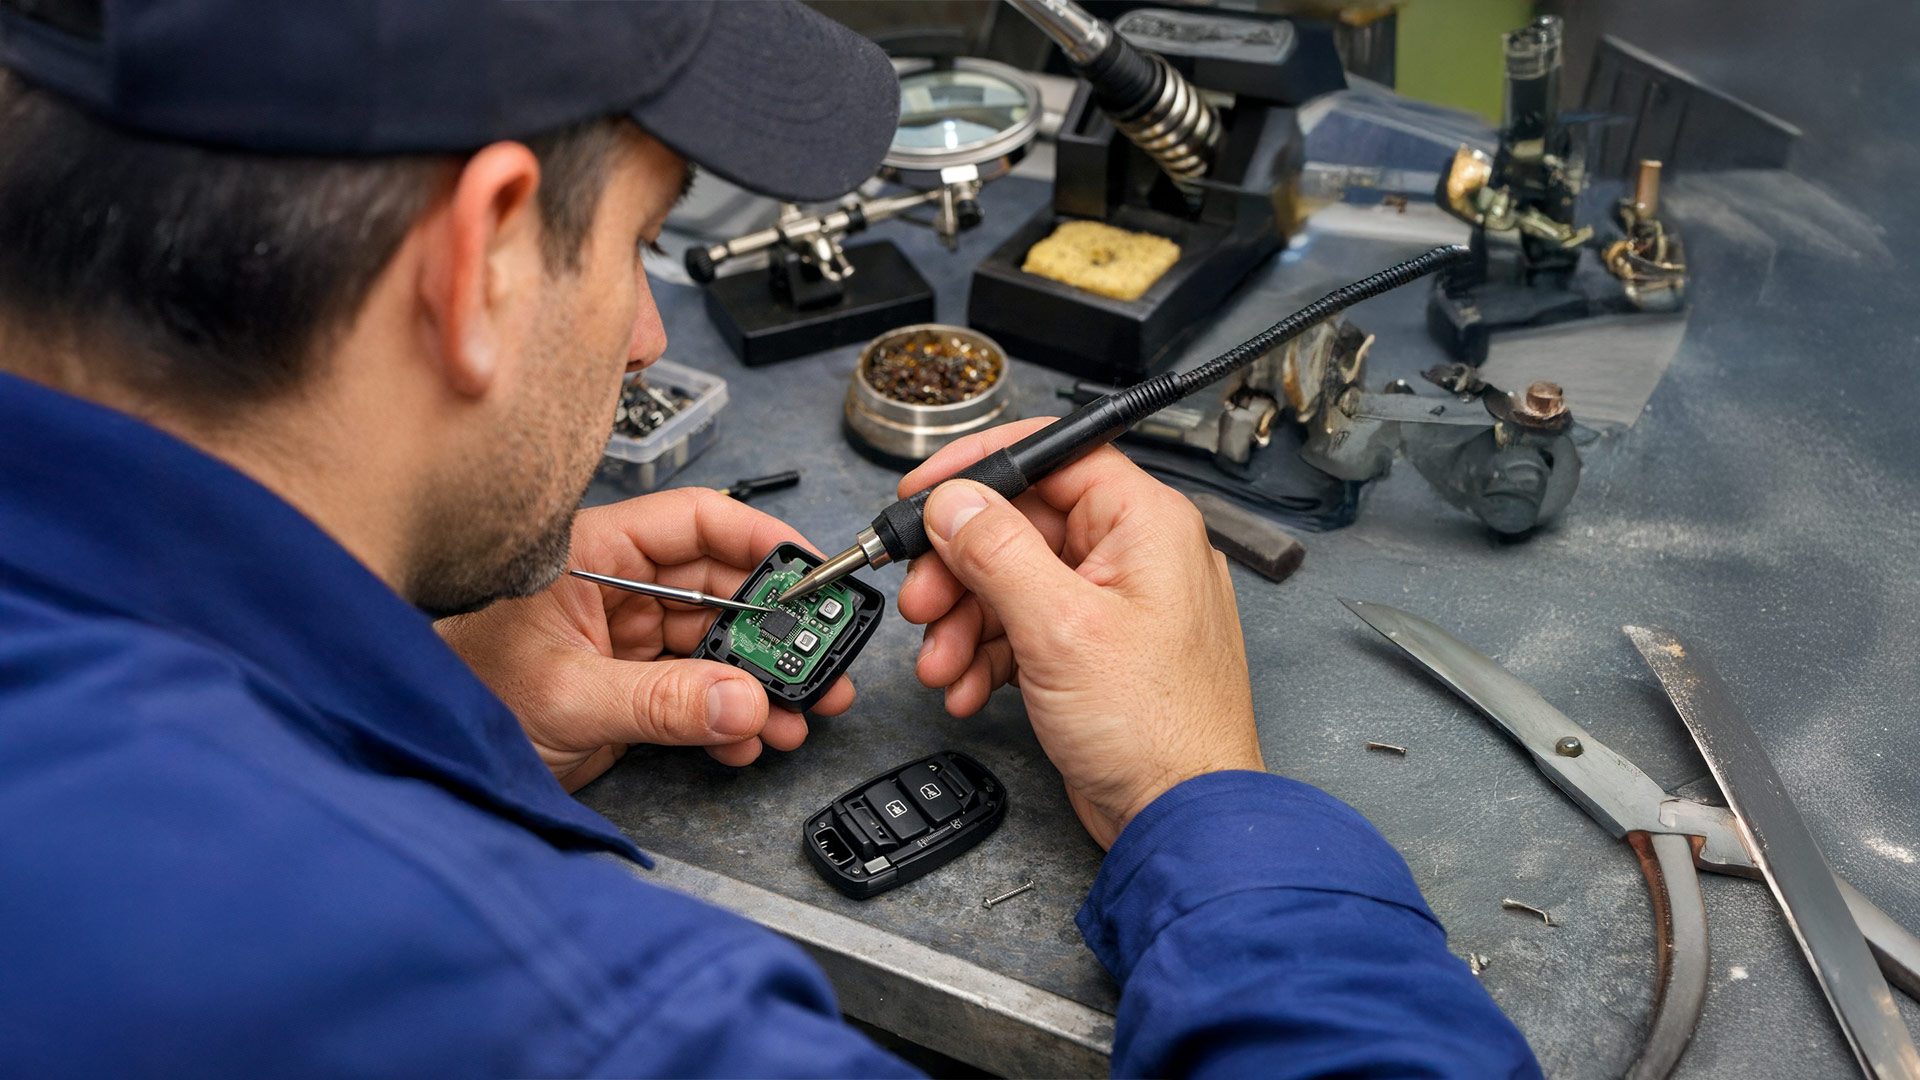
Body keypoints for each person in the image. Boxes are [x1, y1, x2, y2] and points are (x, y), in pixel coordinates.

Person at [0, 0, 1540, 1076]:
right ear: (474, 263)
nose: (645, 333)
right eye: (630, 246)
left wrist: (392, 684)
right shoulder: (572, 1017)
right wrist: (1215, 808)